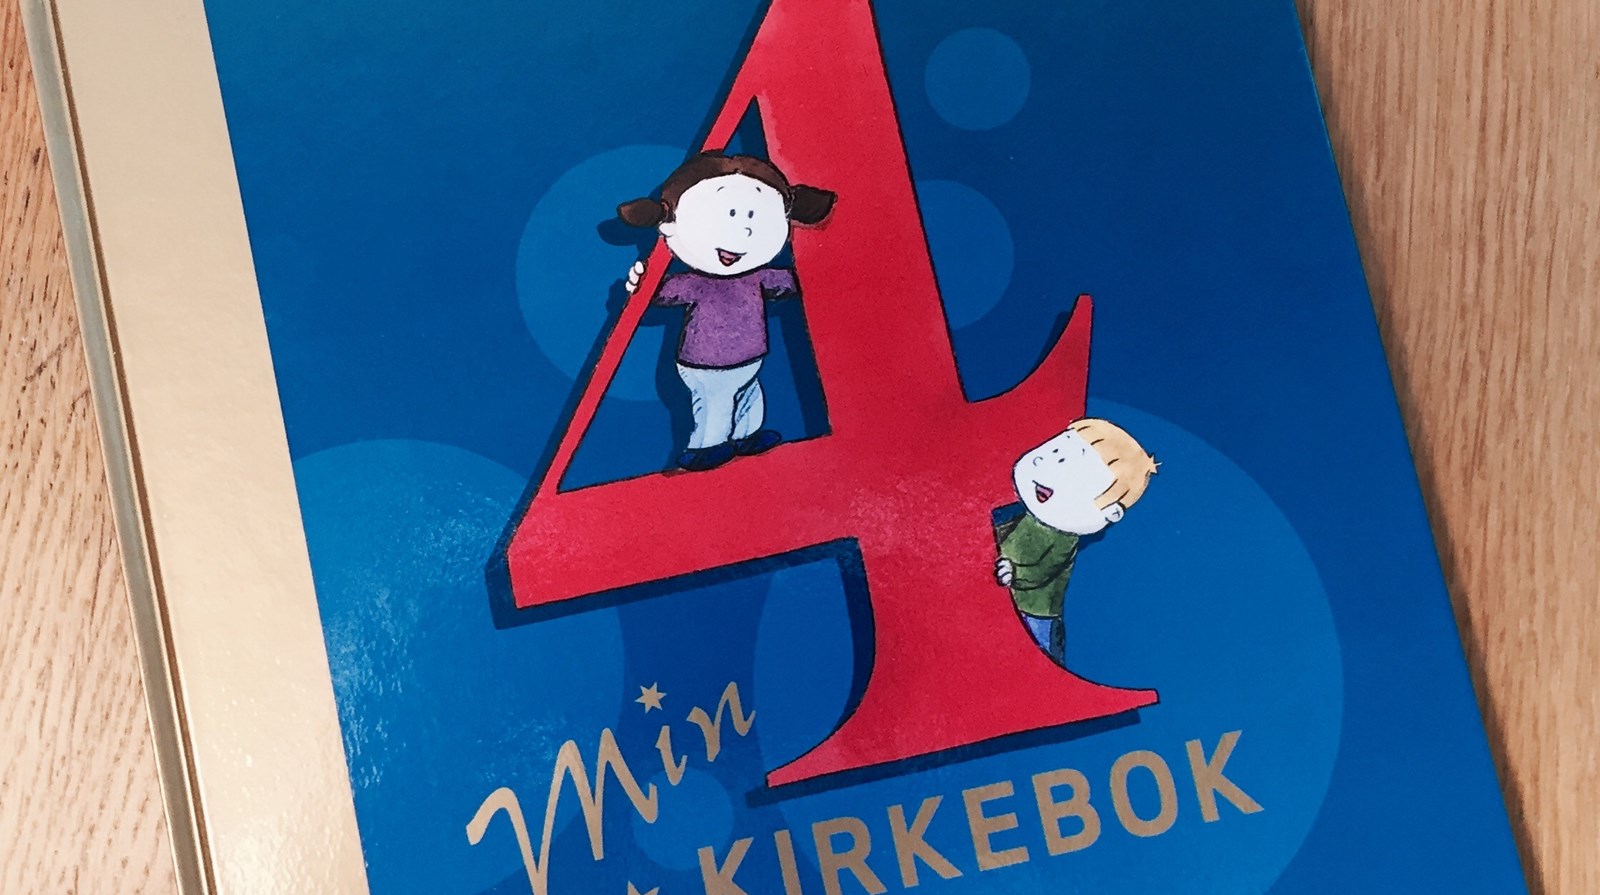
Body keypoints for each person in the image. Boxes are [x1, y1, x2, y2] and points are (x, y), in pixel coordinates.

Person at [617, 152, 835, 471]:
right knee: (715, 402)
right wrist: (640, 284)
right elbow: (659, 293)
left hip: (750, 356)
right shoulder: (695, 283)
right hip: (707, 362)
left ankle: (747, 435)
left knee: (749, 395)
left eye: (754, 218)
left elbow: (791, 283)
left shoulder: (757, 277)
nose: (740, 233)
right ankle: (706, 447)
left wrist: (818, 274)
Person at [994, 417, 1158, 666]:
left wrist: (1013, 572)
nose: (1047, 469)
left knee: (1038, 664)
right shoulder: (1021, 514)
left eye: (1077, 477)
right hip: (1010, 603)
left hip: (1035, 615)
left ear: (1110, 513)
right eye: (1054, 452)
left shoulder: (1063, 538)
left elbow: (1042, 570)